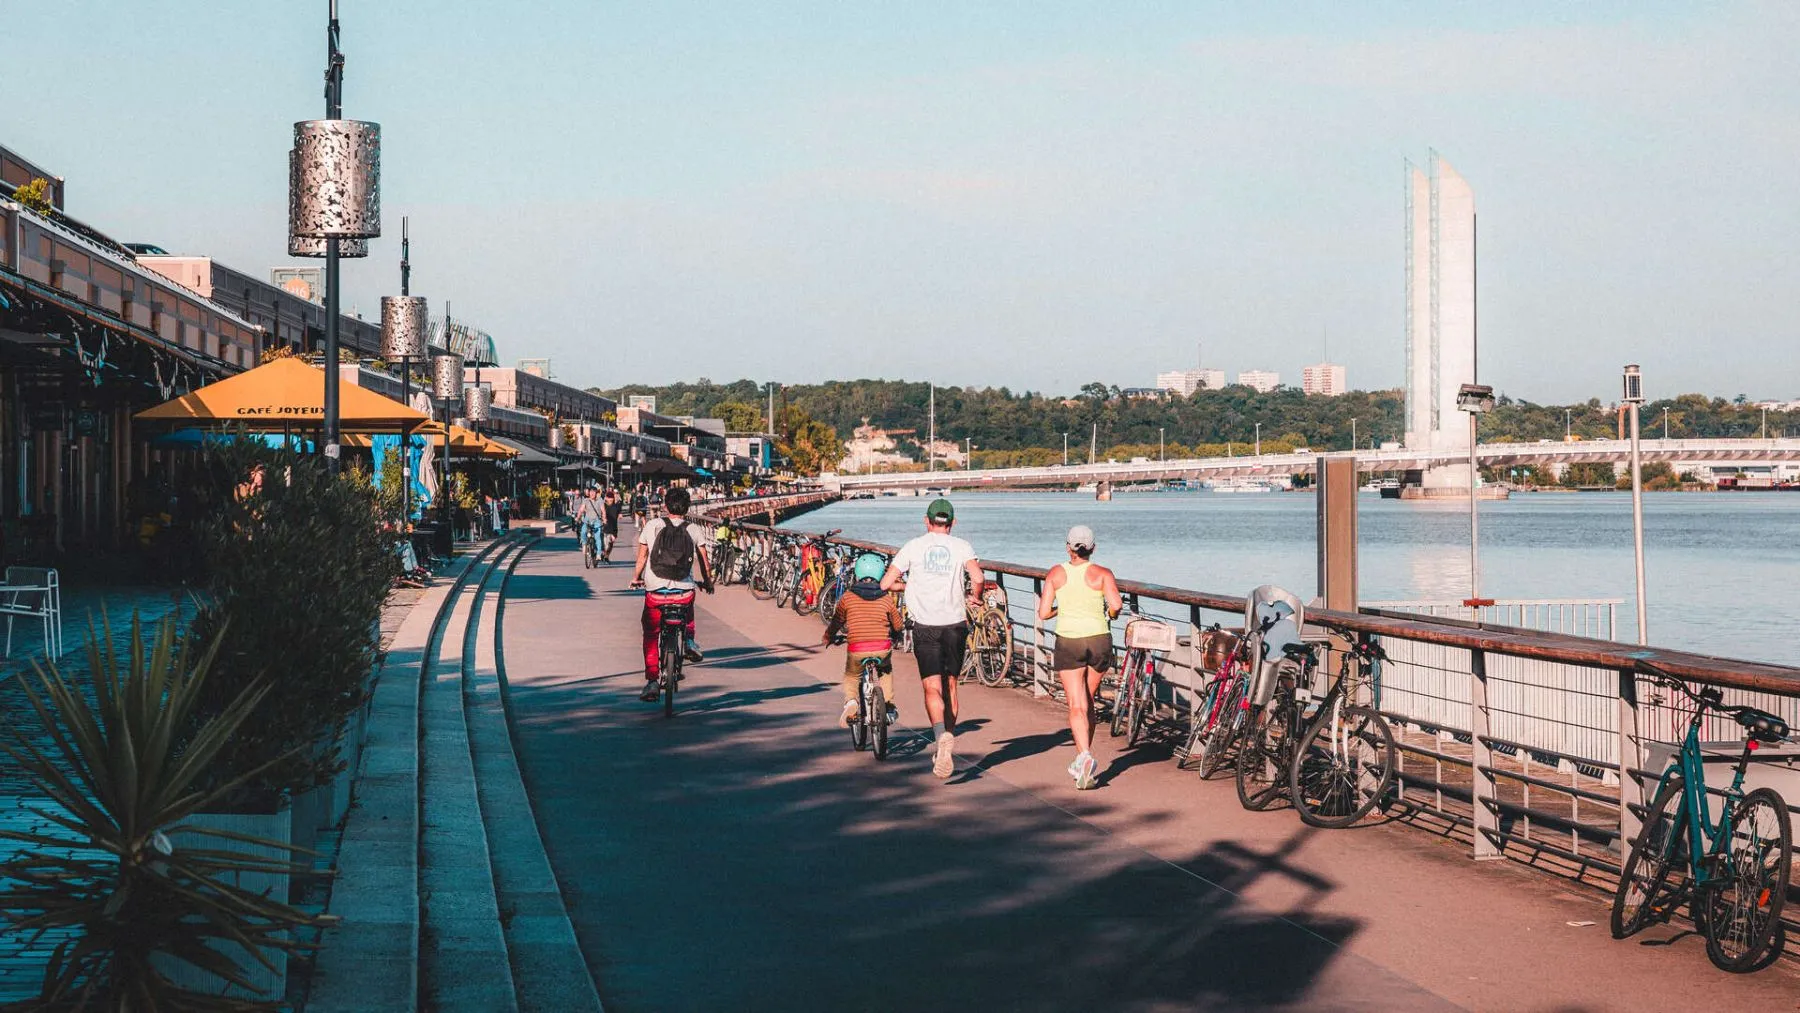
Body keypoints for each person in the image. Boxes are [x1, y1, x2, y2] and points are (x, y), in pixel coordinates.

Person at [881, 498, 983, 779]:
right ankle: (948, 737)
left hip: (925, 626)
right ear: (952, 523)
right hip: (955, 625)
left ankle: (941, 737)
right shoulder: (962, 546)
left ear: (926, 521)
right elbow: (978, 577)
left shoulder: (913, 546)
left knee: (931, 687)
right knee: (951, 685)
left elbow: (886, 584)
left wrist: (908, 585)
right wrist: (975, 596)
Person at [1037, 525, 1123, 790]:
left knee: (1077, 705)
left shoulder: (1056, 573)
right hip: (1099, 640)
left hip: (1070, 641)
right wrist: (1111, 613)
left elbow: (1043, 613)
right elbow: (1116, 605)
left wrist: (1060, 609)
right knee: (1088, 701)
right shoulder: (1103, 574)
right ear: (1093, 548)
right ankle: (1082, 758)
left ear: (1068, 547)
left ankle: (1084, 756)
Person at [630, 486, 713, 701]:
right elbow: (704, 561)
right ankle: (689, 641)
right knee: (689, 601)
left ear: (665, 506)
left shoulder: (652, 525)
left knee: (651, 634)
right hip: (683, 592)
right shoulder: (693, 529)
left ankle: (651, 681)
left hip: (655, 593)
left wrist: (635, 578)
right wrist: (708, 582)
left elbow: (641, 559)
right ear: (687, 507)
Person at [823, 553, 904, 728]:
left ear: (858, 573)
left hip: (857, 648)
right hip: (882, 647)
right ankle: (888, 706)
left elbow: (837, 621)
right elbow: (897, 624)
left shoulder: (848, 597)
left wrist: (828, 636)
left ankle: (852, 702)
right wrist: (896, 635)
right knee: (885, 671)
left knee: (852, 676)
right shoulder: (886, 598)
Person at [572, 487, 605, 558]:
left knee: (597, 537)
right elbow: (581, 510)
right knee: (583, 532)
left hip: (597, 521)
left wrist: (604, 519)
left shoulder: (600, 500)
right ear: (589, 493)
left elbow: (603, 510)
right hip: (587, 520)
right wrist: (578, 518)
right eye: (591, 492)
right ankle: (584, 544)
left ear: (596, 493)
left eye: (594, 492)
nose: (592, 493)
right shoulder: (586, 500)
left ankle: (598, 554)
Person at [600, 487, 623, 562]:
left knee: (610, 544)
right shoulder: (603, 505)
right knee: (604, 544)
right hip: (605, 527)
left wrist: (620, 514)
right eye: (608, 498)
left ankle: (606, 555)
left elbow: (619, 512)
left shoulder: (616, 506)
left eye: (611, 498)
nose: (609, 500)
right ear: (606, 498)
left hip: (613, 528)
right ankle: (603, 554)